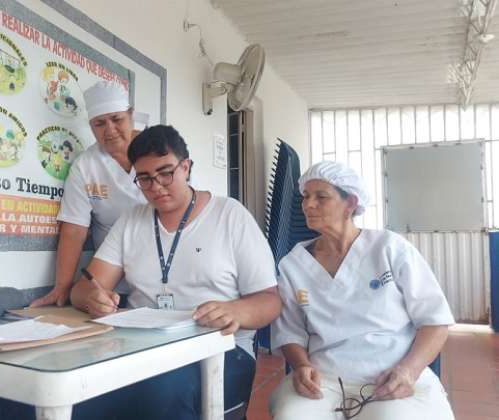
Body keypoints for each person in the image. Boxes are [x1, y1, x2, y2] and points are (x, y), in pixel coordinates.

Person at [69, 125, 281, 419]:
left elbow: (270, 300)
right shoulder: (132, 222)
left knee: (163, 391)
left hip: (218, 348)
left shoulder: (229, 216)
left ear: (186, 167)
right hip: (141, 346)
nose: (156, 186)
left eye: (165, 173)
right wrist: (93, 298)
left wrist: (237, 311)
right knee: (82, 389)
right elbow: (82, 289)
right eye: (144, 179)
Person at [269, 161, 455, 420]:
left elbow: (435, 321)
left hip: (389, 374)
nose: (308, 204)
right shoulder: (293, 264)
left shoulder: (389, 248)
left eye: (321, 197)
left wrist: (408, 371)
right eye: (306, 196)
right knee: (292, 416)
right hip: (325, 378)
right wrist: (301, 365)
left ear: (351, 203)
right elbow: (290, 332)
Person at [30, 81, 146, 308]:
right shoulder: (85, 166)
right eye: (99, 124)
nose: (110, 130)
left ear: (131, 114)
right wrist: (62, 286)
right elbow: (74, 229)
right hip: (111, 282)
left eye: (117, 119)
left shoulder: (158, 151)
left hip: (160, 271)